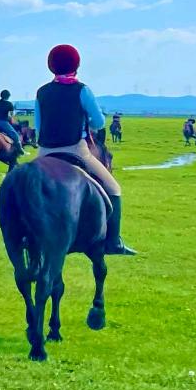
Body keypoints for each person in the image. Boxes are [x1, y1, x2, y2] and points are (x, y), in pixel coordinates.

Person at [35, 44, 136, 255]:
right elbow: (98, 122)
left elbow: (38, 127)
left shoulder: (41, 92)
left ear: (51, 66)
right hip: (76, 150)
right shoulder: (82, 90)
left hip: (44, 153)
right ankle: (113, 242)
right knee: (115, 189)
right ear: (76, 65)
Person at [0, 89, 24, 156]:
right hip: (3, 122)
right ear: (8, 96)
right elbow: (11, 115)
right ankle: (20, 149)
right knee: (15, 135)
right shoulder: (9, 104)